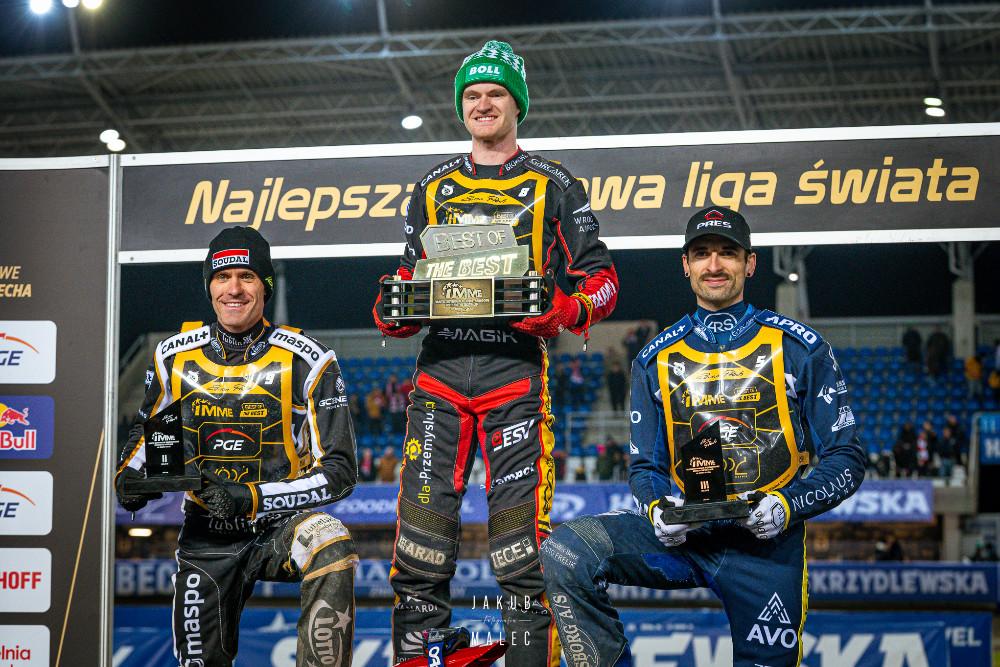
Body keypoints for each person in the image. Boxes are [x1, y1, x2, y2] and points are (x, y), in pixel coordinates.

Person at [372, 39, 619, 665]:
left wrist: (564, 311)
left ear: (518, 105)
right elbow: (407, 280)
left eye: (496, 94)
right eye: (473, 95)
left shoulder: (555, 182)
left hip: (516, 381)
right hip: (438, 380)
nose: (483, 104)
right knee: (420, 549)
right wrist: (393, 309)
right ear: (462, 106)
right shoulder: (432, 185)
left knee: (521, 553)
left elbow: (603, 282)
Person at [540, 207, 866, 667]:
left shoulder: (800, 347)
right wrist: (657, 509)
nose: (714, 265)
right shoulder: (653, 360)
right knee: (565, 551)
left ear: (750, 263)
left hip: (766, 548)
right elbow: (645, 467)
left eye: (727, 253)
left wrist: (787, 506)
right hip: (685, 540)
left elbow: (847, 458)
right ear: (685, 265)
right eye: (702, 254)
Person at [114, 227, 358, 667]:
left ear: (265, 286)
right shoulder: (172, 355)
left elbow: (339, 471)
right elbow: (149, 438)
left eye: (247, 276)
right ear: (209, 286)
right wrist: (130, 477)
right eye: (222, 276)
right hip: (206, 535)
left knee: (331, 540)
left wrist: (252, 497)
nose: (234, 289)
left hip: (281, 525)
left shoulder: (309, 357)